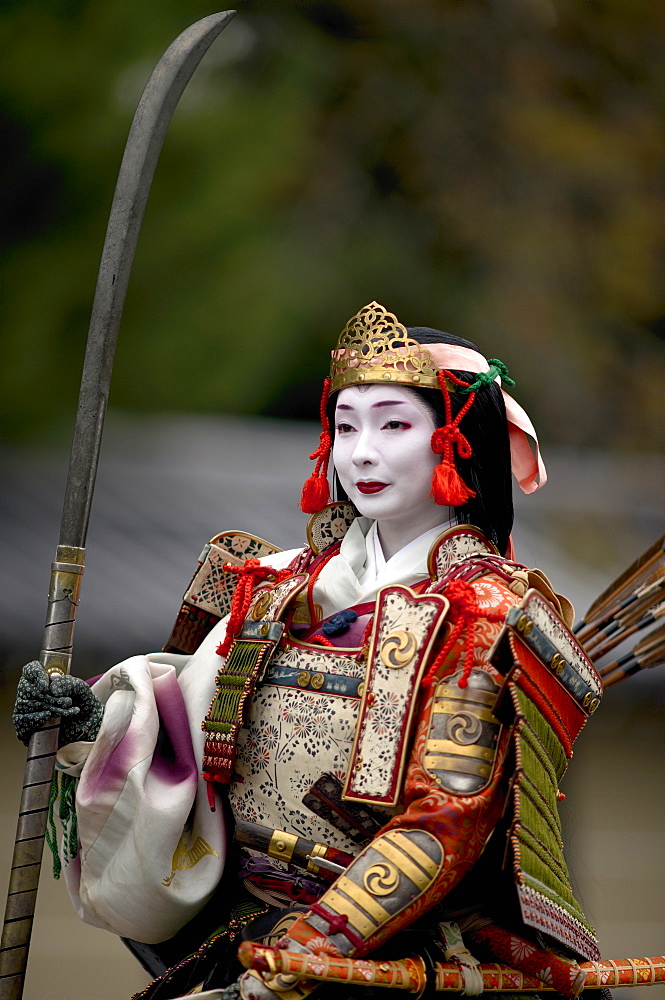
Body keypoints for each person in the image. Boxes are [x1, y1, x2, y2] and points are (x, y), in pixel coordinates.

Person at [14, 302, 603, 1000]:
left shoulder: (485, 613)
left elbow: (444, 821)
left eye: (393, 424)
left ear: (456, 438)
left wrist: (314, 947)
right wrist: (93, 724)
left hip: (385, 957)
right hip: (242, 932)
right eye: (346, 424)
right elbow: (186, 727)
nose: (361, 452)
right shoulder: (269, 585)